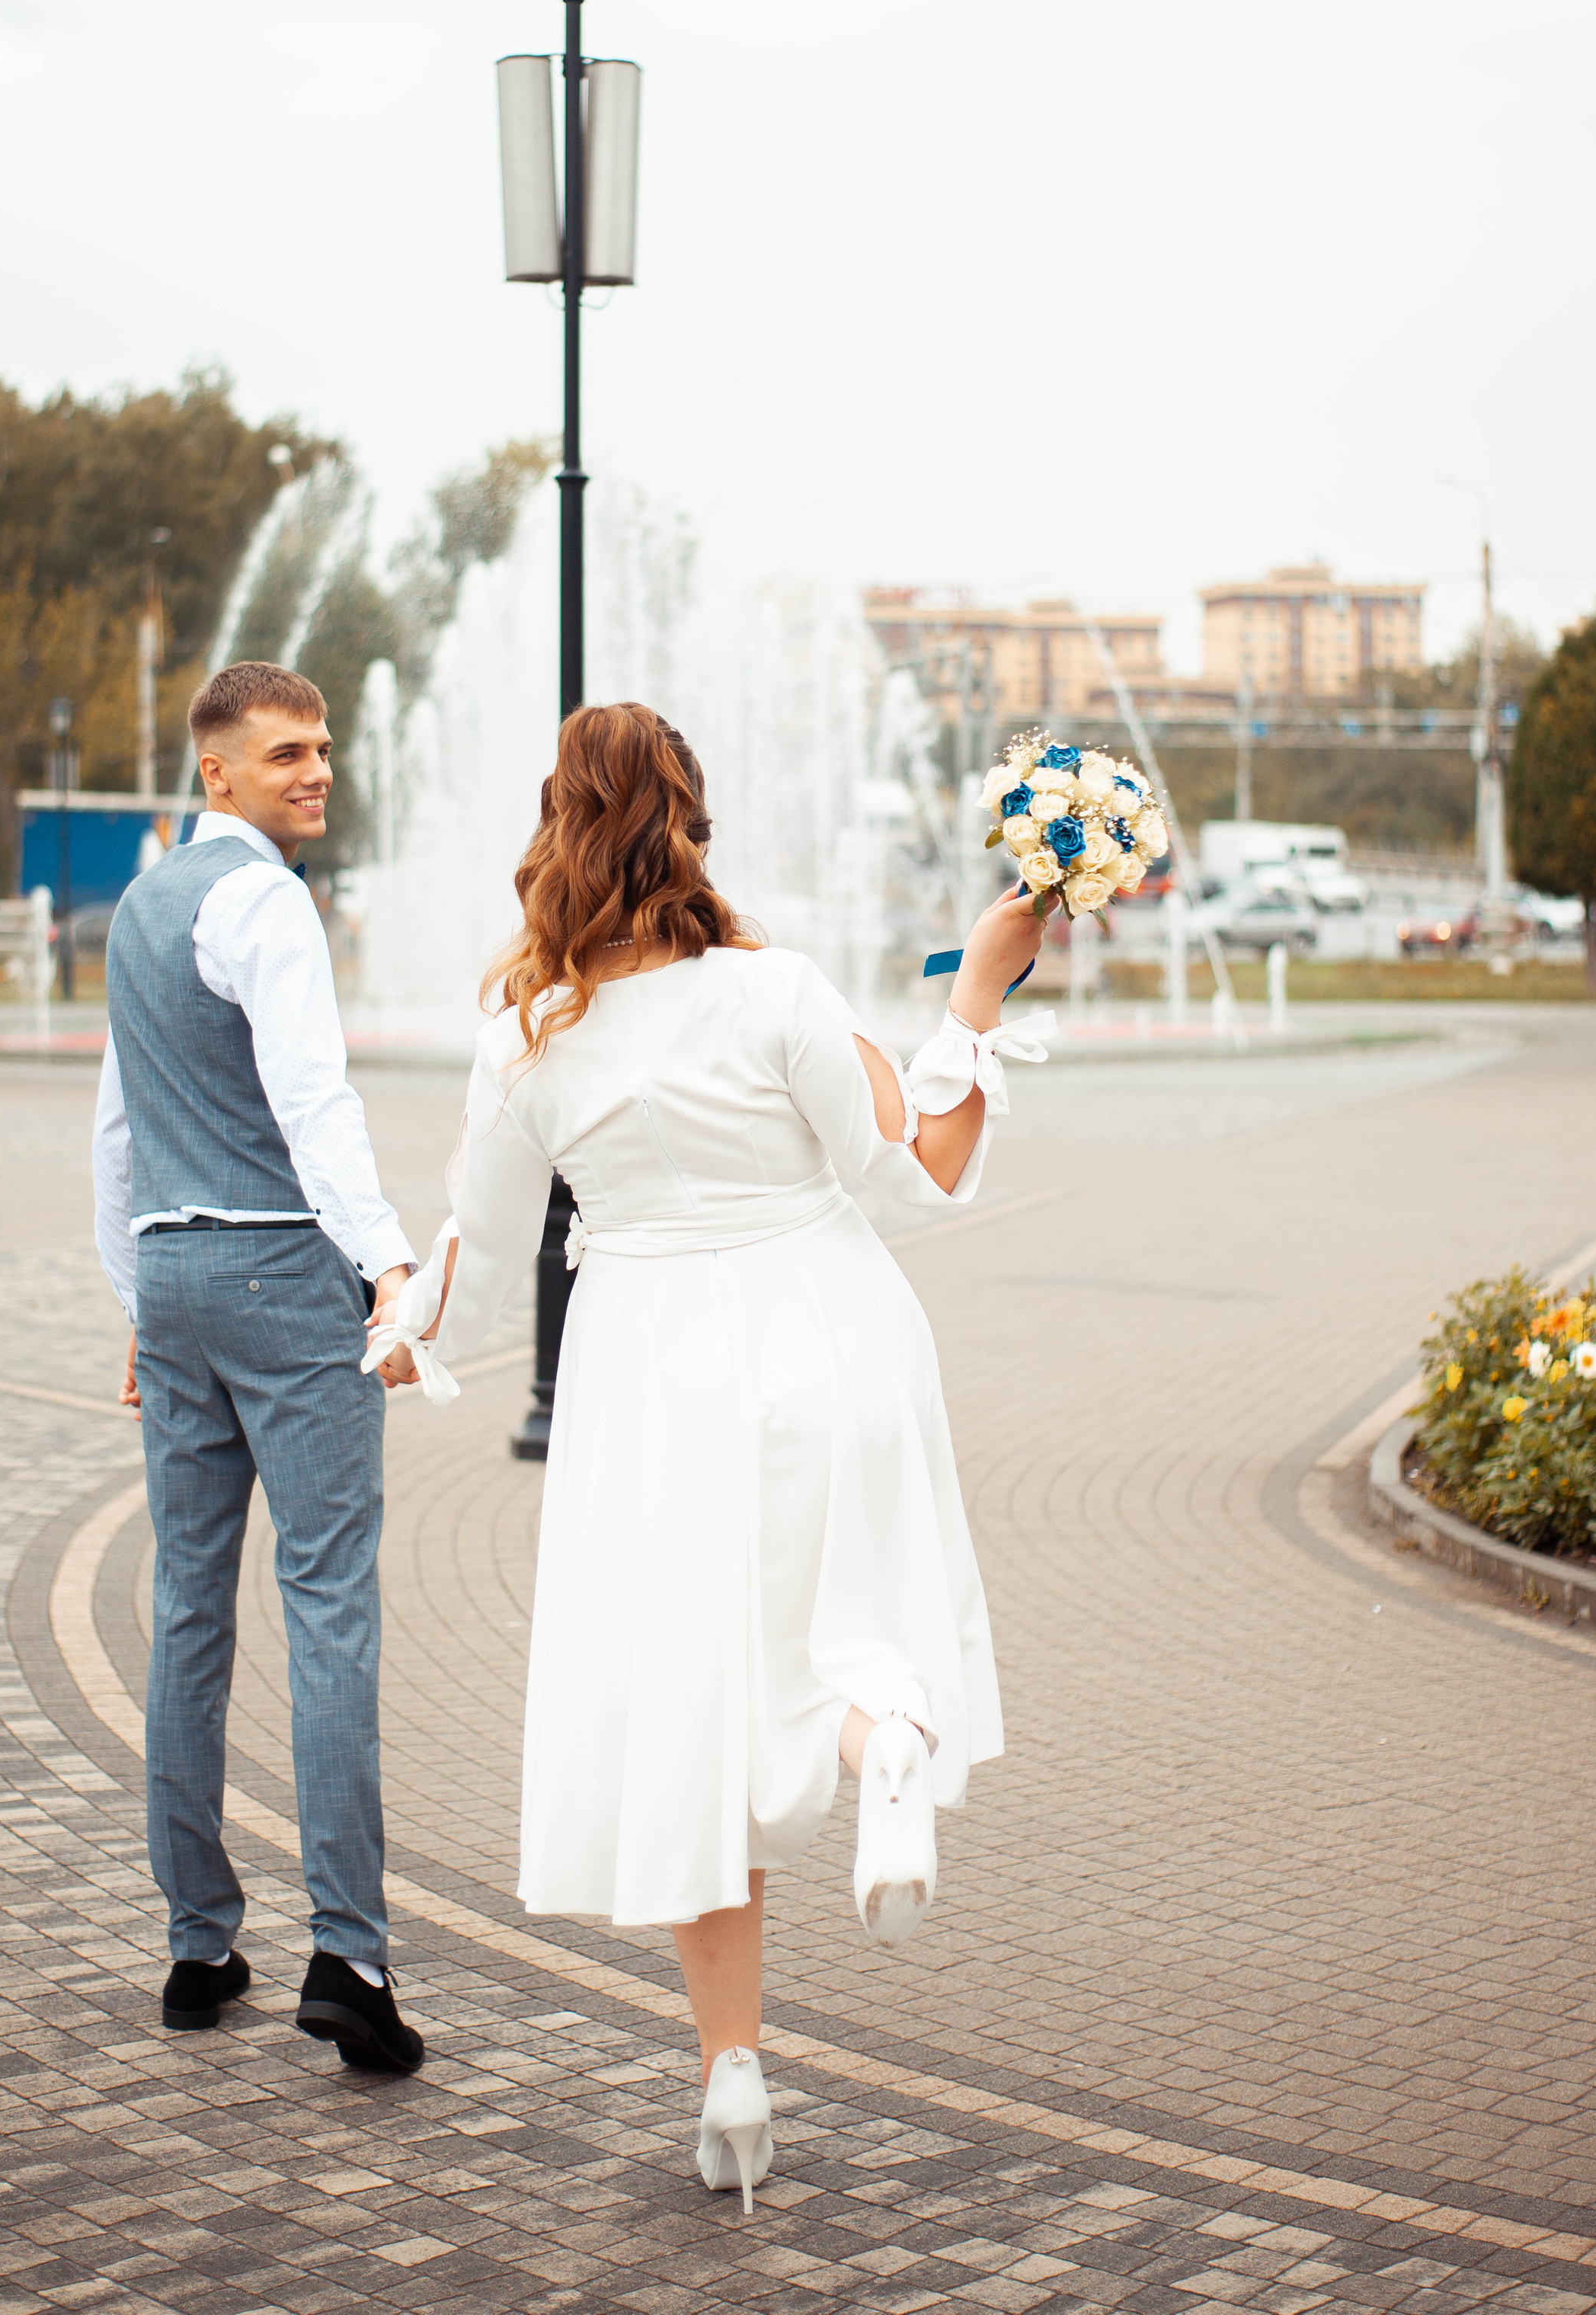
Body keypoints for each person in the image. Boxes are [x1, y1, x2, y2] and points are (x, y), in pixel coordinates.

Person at [372, 701, 1041, 2206]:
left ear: (553, 830)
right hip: (828, 1335)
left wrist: (406, 1321)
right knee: (844, 1637)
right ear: (690, 820)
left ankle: (730, 2073)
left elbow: (472, 1245)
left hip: (649, 1382)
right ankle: (888, 1755)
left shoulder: (526, 1034)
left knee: (697, 1709)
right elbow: (915, 1166)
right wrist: (980, 995)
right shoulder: (774, 993)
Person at [92, 658, 426, 2075]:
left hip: (176, 1275)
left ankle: (196, 1944)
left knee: (187, 1608)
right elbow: (314, 1101)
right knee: (330, 1606)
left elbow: (117, 1130)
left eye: (325, 748)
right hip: (286, 1272)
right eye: (285, 753)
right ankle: (348, 1958)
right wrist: (393, 1268)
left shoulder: (137, 908)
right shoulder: (266, 902)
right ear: (214, 772)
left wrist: (137, 1291)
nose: (317, 771)